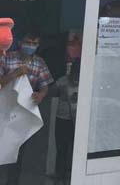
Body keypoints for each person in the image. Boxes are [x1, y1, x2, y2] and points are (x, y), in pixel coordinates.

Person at [0, 32, 54, 185]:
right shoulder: (6, 58)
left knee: (16, 148)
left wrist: (41, 95)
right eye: (28, 42)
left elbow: (45, 85)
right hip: (4, 108)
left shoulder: (39, 63)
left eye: (34, 43)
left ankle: (12, 182)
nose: (30, 46)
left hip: (22, 113)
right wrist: (15, 74)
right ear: (20, 43)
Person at [52, 58, 80, 180]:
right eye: (75, 69)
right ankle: (60, 176)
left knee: (76, 150)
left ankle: (73, 176)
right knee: (61, 149)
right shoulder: (63, 81)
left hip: (79, 121)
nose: (76, 72)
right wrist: (59, 92)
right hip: (62, 119)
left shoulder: (86, 81)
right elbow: (51, 92)